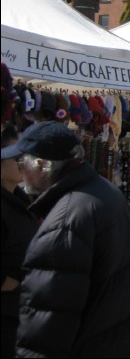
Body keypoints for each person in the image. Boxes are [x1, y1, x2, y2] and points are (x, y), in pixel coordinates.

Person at [2, 120, 130, 357]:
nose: (21, 172)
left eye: (23, 163)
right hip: (117, 340)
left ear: (42, 165)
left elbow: (50, 317)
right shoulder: (102, 192)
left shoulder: (67, 218)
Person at [1, 126, 38, 359]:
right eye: (17, 159)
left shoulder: (21, 200)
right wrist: (9, 283)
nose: (23, 164)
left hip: (20, 313)